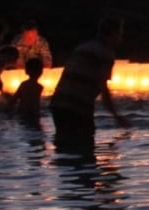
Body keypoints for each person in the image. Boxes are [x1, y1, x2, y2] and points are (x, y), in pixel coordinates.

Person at [49, 17, 129, 152]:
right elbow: (103, 88)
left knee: (65, 148)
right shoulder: (105, 53)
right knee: (84, 149)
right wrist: (116, 116)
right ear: (114, 34)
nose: (121, 39)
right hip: (78, 107)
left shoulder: (83, 48)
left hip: (58, 104)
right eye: (120, 34)